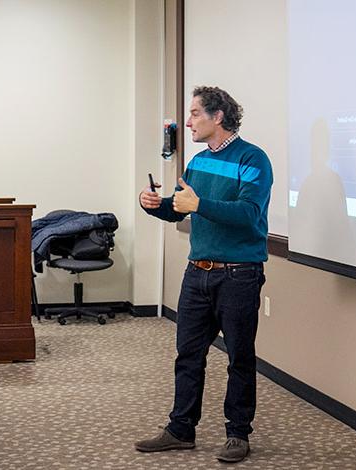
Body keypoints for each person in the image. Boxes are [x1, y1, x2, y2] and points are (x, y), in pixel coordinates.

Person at [134, 86, 272, 463]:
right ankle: (181, 429)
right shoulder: (197, 161)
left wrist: (200, 204)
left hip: (239, 274)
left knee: (239, 357)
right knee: (188, 355)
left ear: (218, 117)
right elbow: (181, 210)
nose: (189, 121)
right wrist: (155, 205)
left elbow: (249, 214)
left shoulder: (253, 159)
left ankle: (237, 434)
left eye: (195, 113)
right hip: (198, 273)